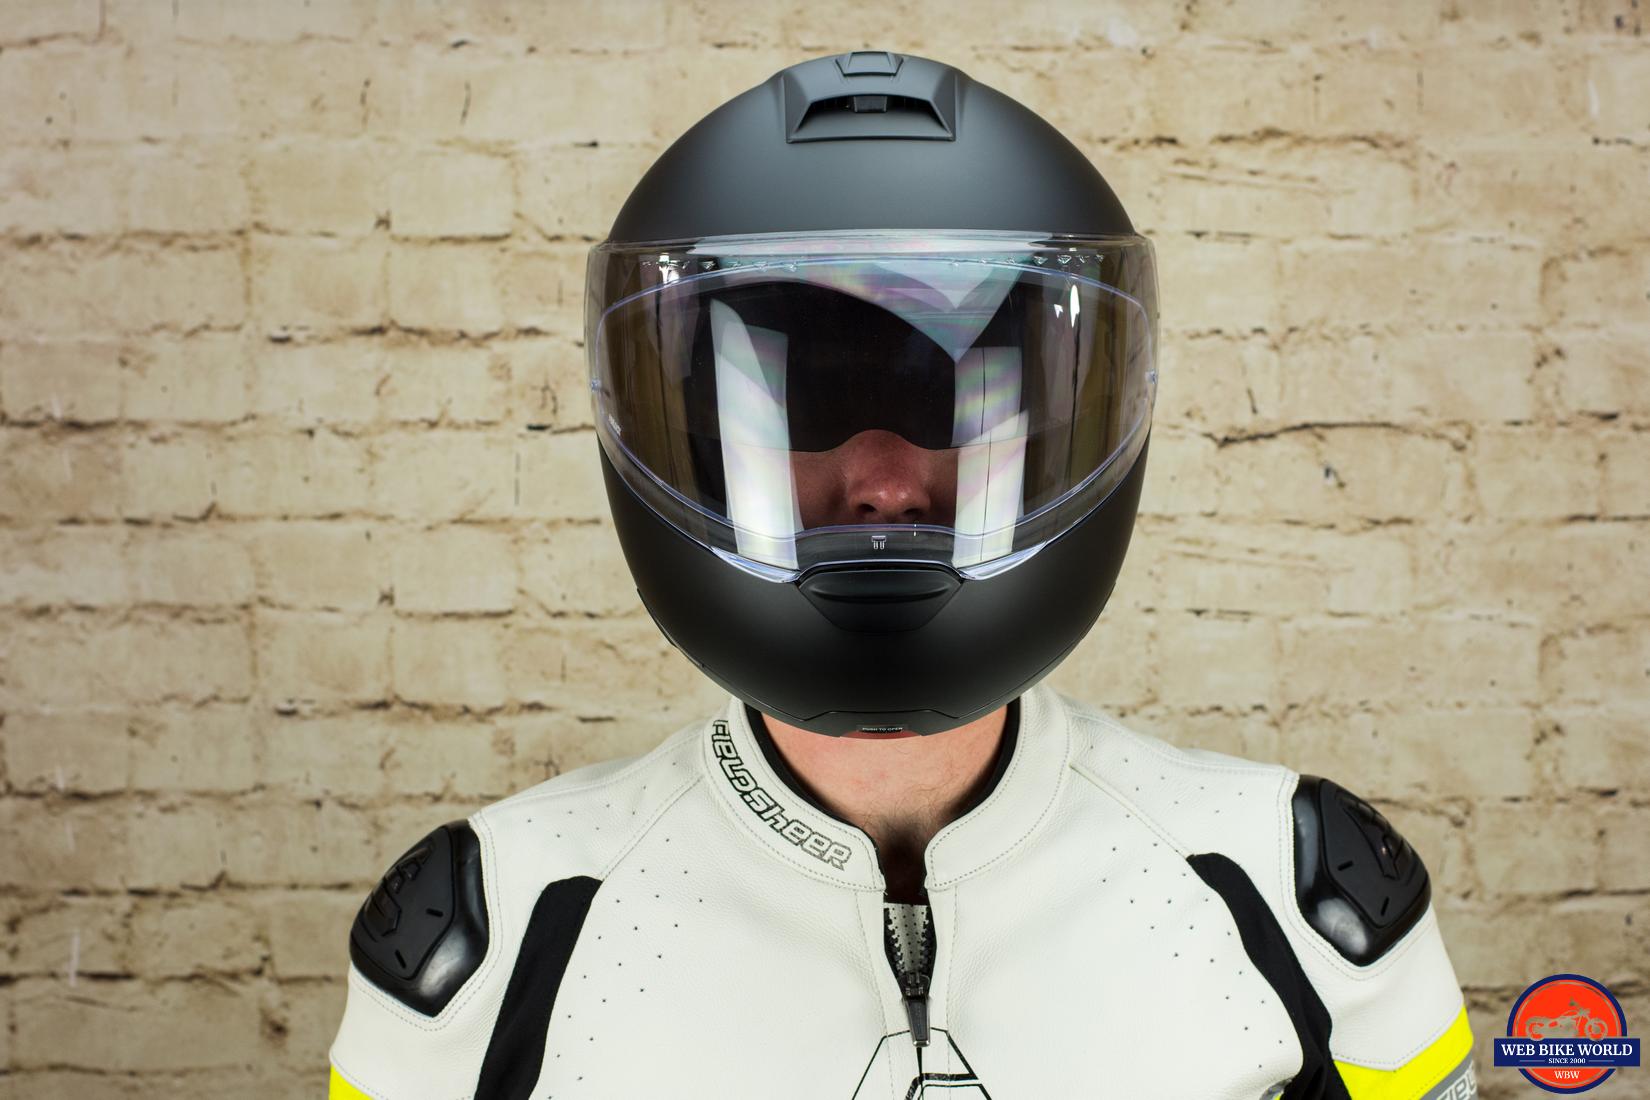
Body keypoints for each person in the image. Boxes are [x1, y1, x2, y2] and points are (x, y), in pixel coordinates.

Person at [327, 51, 1476, 1099]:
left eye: (945, 398)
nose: (883, 483)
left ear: (1063, 421)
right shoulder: (493, 938)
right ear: (694, 434)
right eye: (810, 399)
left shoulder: (1298, 895)